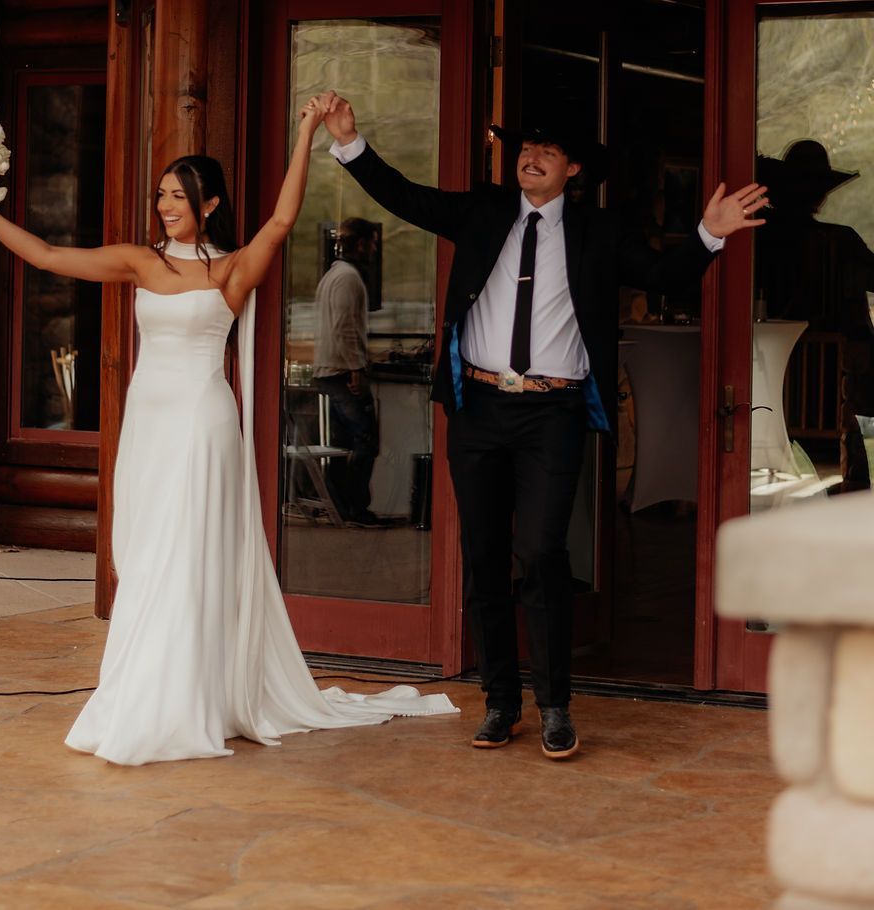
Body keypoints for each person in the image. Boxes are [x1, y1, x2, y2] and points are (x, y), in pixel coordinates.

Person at [0, 96, 457, 764]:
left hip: (202, 424)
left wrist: (304, 131)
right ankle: (149, 687)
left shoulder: (230, 269)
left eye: (180, 197)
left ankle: (180, 700)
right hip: (149, 427)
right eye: (161, 194)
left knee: (182, 558)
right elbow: (46, 255)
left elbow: (282, 219)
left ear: (210, 204)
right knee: (144, 553)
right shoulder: (140, 261)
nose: (166, 206)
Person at [322, 92, 766, 759]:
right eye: (525, 149)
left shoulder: (599, 231)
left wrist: (710, 232)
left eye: (546, 151)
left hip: (551, 412)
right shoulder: (482, 210)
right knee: (482, 558)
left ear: (574, 170)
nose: (530, 158)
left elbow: (667, 276)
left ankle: (555, 705)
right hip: (477, 408)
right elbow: (406, 198)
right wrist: (350, 142)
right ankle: (500, 702)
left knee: (542, 551)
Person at [757, 139, 874, 491]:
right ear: (821, 196)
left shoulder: (759, 240)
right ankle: (858, 477)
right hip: (846, 386)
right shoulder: (842, 242)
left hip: (778, 384)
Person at [313, 217, 381, 526]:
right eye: (372, 243)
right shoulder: (349, 278)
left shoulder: (333, 275)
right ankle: (355, 508)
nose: (374, 249)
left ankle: (340, 507)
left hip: (331, 371)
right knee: (366, 439)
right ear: (361, 243)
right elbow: (345, 328)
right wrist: (357, 369)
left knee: (342, 445)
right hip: (340, 372)